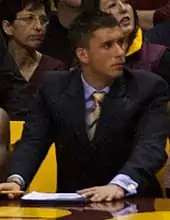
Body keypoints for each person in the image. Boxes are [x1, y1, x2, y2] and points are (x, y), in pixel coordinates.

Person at [0, 11, 168, 201]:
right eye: (107, 45)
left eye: (120, 42)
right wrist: (16, 179)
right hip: (73, 204)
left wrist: (119, 185)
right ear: (83, 54)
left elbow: (150, 147)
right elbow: (33, 142)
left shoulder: (148, 87)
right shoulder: (53, 88)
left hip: (133, 202)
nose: (120, 52)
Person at [0, 0, 65, 120]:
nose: (39, 27)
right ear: (7, 27)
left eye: (43, 20)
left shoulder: (55, 69)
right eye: (29, 18)